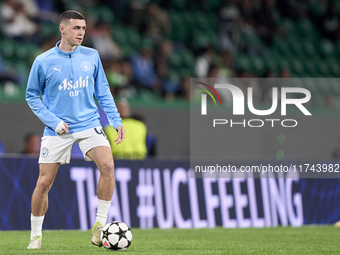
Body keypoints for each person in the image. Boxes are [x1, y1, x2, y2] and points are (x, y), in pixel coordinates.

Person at [25, 10, 125, 250]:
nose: (81, 33)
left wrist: (115, 119)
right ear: (62, 29)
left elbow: (103, 91)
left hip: (89, 123)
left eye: (83, 28)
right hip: (58, 128)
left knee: (108, 166)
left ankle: (99, 226)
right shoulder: (43, 61)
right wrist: (53, 121)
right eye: (76, 28)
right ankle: (35, 235)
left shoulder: (92, 56)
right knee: (44, 183)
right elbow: (31, 96)